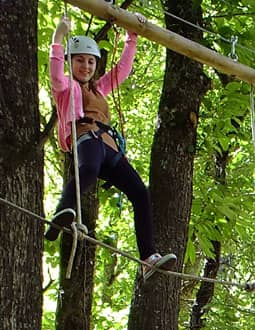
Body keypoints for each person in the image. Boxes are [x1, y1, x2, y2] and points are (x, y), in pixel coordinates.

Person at [46, 16, 175, 280]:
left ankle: (148, 257)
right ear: (71, 61)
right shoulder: (66, 87)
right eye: (80, 60)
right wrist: (58, 39)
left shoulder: (101, 89)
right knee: (89, 170)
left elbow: (122, 70)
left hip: (110, 147)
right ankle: (62, 211)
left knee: (140, 192)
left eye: (91, 61)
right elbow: (56, 72)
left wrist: (132, 36)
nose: (86, 66)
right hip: (86, 138)